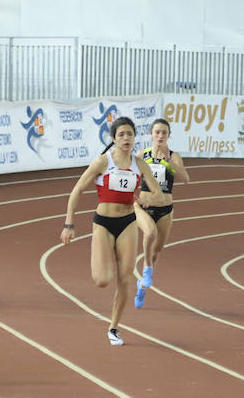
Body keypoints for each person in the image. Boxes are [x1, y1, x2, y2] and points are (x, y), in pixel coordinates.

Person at [60, 116, 164, 346]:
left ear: (135, 136)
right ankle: (101, 261)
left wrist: (145, 199)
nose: (126, 138)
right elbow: (77, 190)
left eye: (130, 134)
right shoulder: (103, 162)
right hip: (103, 224)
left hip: (127, 223)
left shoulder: (139, 164)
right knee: (102, 280)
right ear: (114, 139)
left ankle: (114, 328)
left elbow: (155, 190)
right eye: (121, 135)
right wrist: (69, 224)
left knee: (125, 279)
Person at [133, 118, 190, 309]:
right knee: (149, 233)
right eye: (157, 132)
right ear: (151, 134)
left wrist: (169, 162)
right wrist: (134, 199)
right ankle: (147, 269)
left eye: (164, 133)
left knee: (156, 250)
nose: (160, 136)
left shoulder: (174, 156)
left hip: (165, 209)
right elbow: (130, 177)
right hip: (144, 207)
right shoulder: (142, 155)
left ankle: (141, 286)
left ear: (168, 136)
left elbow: (186, 179)